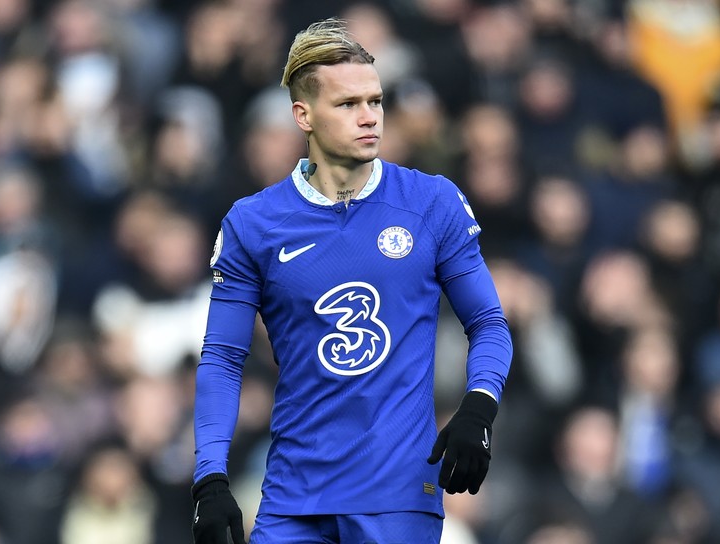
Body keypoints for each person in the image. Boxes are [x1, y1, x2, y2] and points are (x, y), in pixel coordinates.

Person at [190, 18, 513, 544]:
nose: (370, 118)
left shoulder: (431, 202)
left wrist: (479, 404)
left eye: (376, 101)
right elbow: (223, 358)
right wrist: (209, 477)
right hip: (294, 498)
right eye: (348, 105)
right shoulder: (253, 223)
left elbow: (489, 321)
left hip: (399, 498)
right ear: (304, 115)